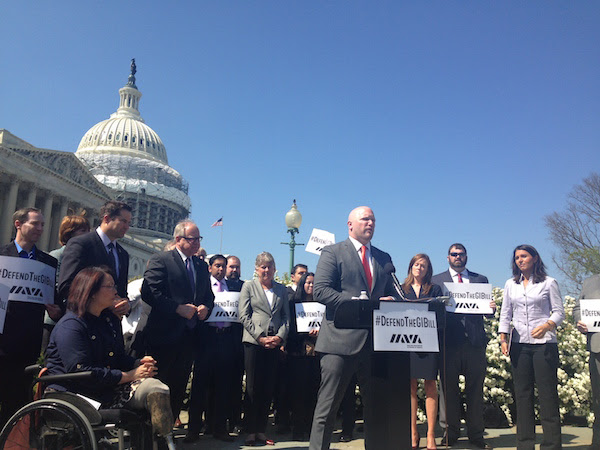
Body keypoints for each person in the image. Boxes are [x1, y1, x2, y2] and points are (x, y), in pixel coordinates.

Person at [45, 267, 175, 445]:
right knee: (149, 394)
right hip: (75, 394)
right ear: (91, 292)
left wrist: (139, 363)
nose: (116, 291)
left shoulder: (108, 321)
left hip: (105, 388)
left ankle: (162, 442)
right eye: (110, 286)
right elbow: (82, 372)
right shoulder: (71, 326)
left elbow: (118, 358)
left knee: (157, 390)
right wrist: (129, 376)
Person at [309, 206, 397, 450]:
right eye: (365, 219)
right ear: (350, 224)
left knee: (376, 411)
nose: (370, 223)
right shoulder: (333, 252)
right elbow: (321, 290)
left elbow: (390, 293)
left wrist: (394, 301)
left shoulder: (383, 258)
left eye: (373, 220)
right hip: (339, 342)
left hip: (376, 344)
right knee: (327, 409)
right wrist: (356, 304)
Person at [141, 220, 214, 421]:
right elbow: (150, 293)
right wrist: (177, 308)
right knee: (158, 388)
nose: (197, 243)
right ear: (179, 239)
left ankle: (168, 434)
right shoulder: (162, 259)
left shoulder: (200, 266)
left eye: (199, 239)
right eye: (192, 239)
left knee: (178, 388)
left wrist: (206, 308)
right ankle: (150, 436)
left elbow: (209, 296)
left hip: (189, 339)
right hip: (164, 337)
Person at [499, 244, 564, 450]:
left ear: (534, 258)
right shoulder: (511, 284)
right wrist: (503, 338)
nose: (520, 260)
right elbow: (505, 313)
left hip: (544, 345)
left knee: (547, 395)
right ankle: (525, 444)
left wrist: (547, 325)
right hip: (519, 345)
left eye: (524, 256)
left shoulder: (548, 283)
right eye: (517, 257)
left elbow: (559, 312)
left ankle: (551, 444)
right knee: (523, 394)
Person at [0, 207, 59, 426]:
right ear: (18, 224)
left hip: (27, 344)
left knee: (15, 404)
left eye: (42, 224)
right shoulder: (2, 256)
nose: (40, 229)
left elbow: (54, 299)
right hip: (2, 338)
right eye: (35, 223)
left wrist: (55, 311)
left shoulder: (47, 263)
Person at [432, 243, 494, 449]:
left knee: (475, 391)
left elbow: (487, 311)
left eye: (461, 254)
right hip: (448, 343)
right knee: (448, 391)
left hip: (475, 343)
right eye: (454, 254)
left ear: (466, 256)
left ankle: (477, 435)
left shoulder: (480, 280)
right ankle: (450, 433)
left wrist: (491, 308)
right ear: (447, 257)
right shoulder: (437, 281)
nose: (458, 257)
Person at [238, 251, 289, 446]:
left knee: (268, 387)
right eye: (263, 266)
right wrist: (260, 337)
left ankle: (261, 429)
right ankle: (250, 430)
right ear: (257, 269)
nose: (266, 270)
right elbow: (244, 315)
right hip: (254, 343)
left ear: (275, 269)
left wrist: (279, 337)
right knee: (253, 386)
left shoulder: (281, 290)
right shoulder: (248, 287)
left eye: (269, 266)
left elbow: (286, 317)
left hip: (274, 343)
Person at [186, 254, 236, 443]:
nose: (221, 270)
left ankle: (219, 428)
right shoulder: (203, 286)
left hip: (225, 338)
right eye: (217, 266)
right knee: (200, 386)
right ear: (210, 267)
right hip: (206, 338)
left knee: (223, 386)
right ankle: (193, 430)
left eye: (223, 266)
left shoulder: (231, 287)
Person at [58, 201, 131, 317]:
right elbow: (66, 285)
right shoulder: (81, 244)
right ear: (107, 219)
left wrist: (126, 304)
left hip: (110, 326)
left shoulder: (123, 254)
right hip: (85, 320)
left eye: (129, 223)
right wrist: (104, 303)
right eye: (123, 221)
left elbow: (121, 290)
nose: (127, 227)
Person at [400, 254, 443, 450]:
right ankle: (413, 432)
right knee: (409, 387)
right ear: (411, 267)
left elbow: (440, 313)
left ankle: (431, 435)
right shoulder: (401, 289)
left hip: (428, 341)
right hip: (407, 342)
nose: (419, 268)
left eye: (424, 266)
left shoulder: (434, 289)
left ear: (428, 270)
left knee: (430, 385)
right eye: (417, 264)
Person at [43, 214, 91, 352]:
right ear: (69, 233)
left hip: (77, 318)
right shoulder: (57, 255)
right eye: (82, 231)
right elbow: (54, 286)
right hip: (55, 319)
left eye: (88, 231)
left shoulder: (86, 257)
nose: (87, 235)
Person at [287, 272, 320, 441]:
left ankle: (310, 428)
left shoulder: (321, 304)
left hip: (316, 355)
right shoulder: (293, 303)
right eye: (308, 283)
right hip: (298, 354)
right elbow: (290, 328)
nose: (311, 286)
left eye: (314, 283)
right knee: (298, 393)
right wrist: (304, 332)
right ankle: (298, 429)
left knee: (313, 392)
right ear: (302, 284)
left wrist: (319, 333)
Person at [277, 262, 308, 433]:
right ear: (293, 275)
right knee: (284, 387)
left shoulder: (310, 294)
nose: (304, 276)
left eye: (306, 273)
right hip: (289, 346)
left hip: (305, 350)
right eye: (300, 273)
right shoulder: (286, 292)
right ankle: (283, 421)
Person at [573, 273, 600, 449]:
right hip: (598, 348)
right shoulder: (590, 282)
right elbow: (577, 309)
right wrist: (579, 321)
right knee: (598, 399)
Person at [226, 255, 245, 433]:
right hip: (220, 339)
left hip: (239, 341)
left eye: (237, 267)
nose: (234, 270)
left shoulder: (245, 286)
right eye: (231, 267)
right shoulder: (219, 286)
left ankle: (235, 420)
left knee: (236, 384)